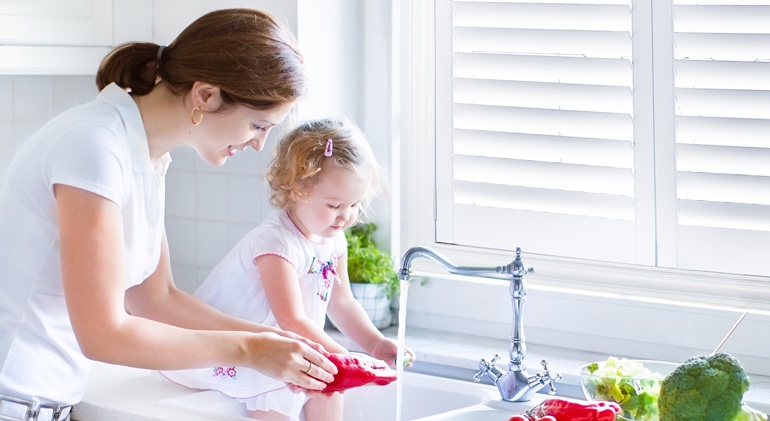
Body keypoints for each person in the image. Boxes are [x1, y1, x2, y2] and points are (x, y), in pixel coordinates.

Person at [0, 8, 338, 421]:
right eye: (257, 125)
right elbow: (103, 334)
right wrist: (249, 351)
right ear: (206, 95)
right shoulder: (94, 147)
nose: (259, 145)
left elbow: (155, 298)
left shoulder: (145, 156)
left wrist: (275, 340)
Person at [160, 118, 415, 421]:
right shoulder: (277, 242)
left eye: (355, 204)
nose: (345, 216)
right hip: (251, 350)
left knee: (330, 387)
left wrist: (373, 343)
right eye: (334, 205)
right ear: (296, 189)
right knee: (284, 389)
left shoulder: (334, 238)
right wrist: (345, 359)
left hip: (292, 345)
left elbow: (341, 301)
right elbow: (290, 319)